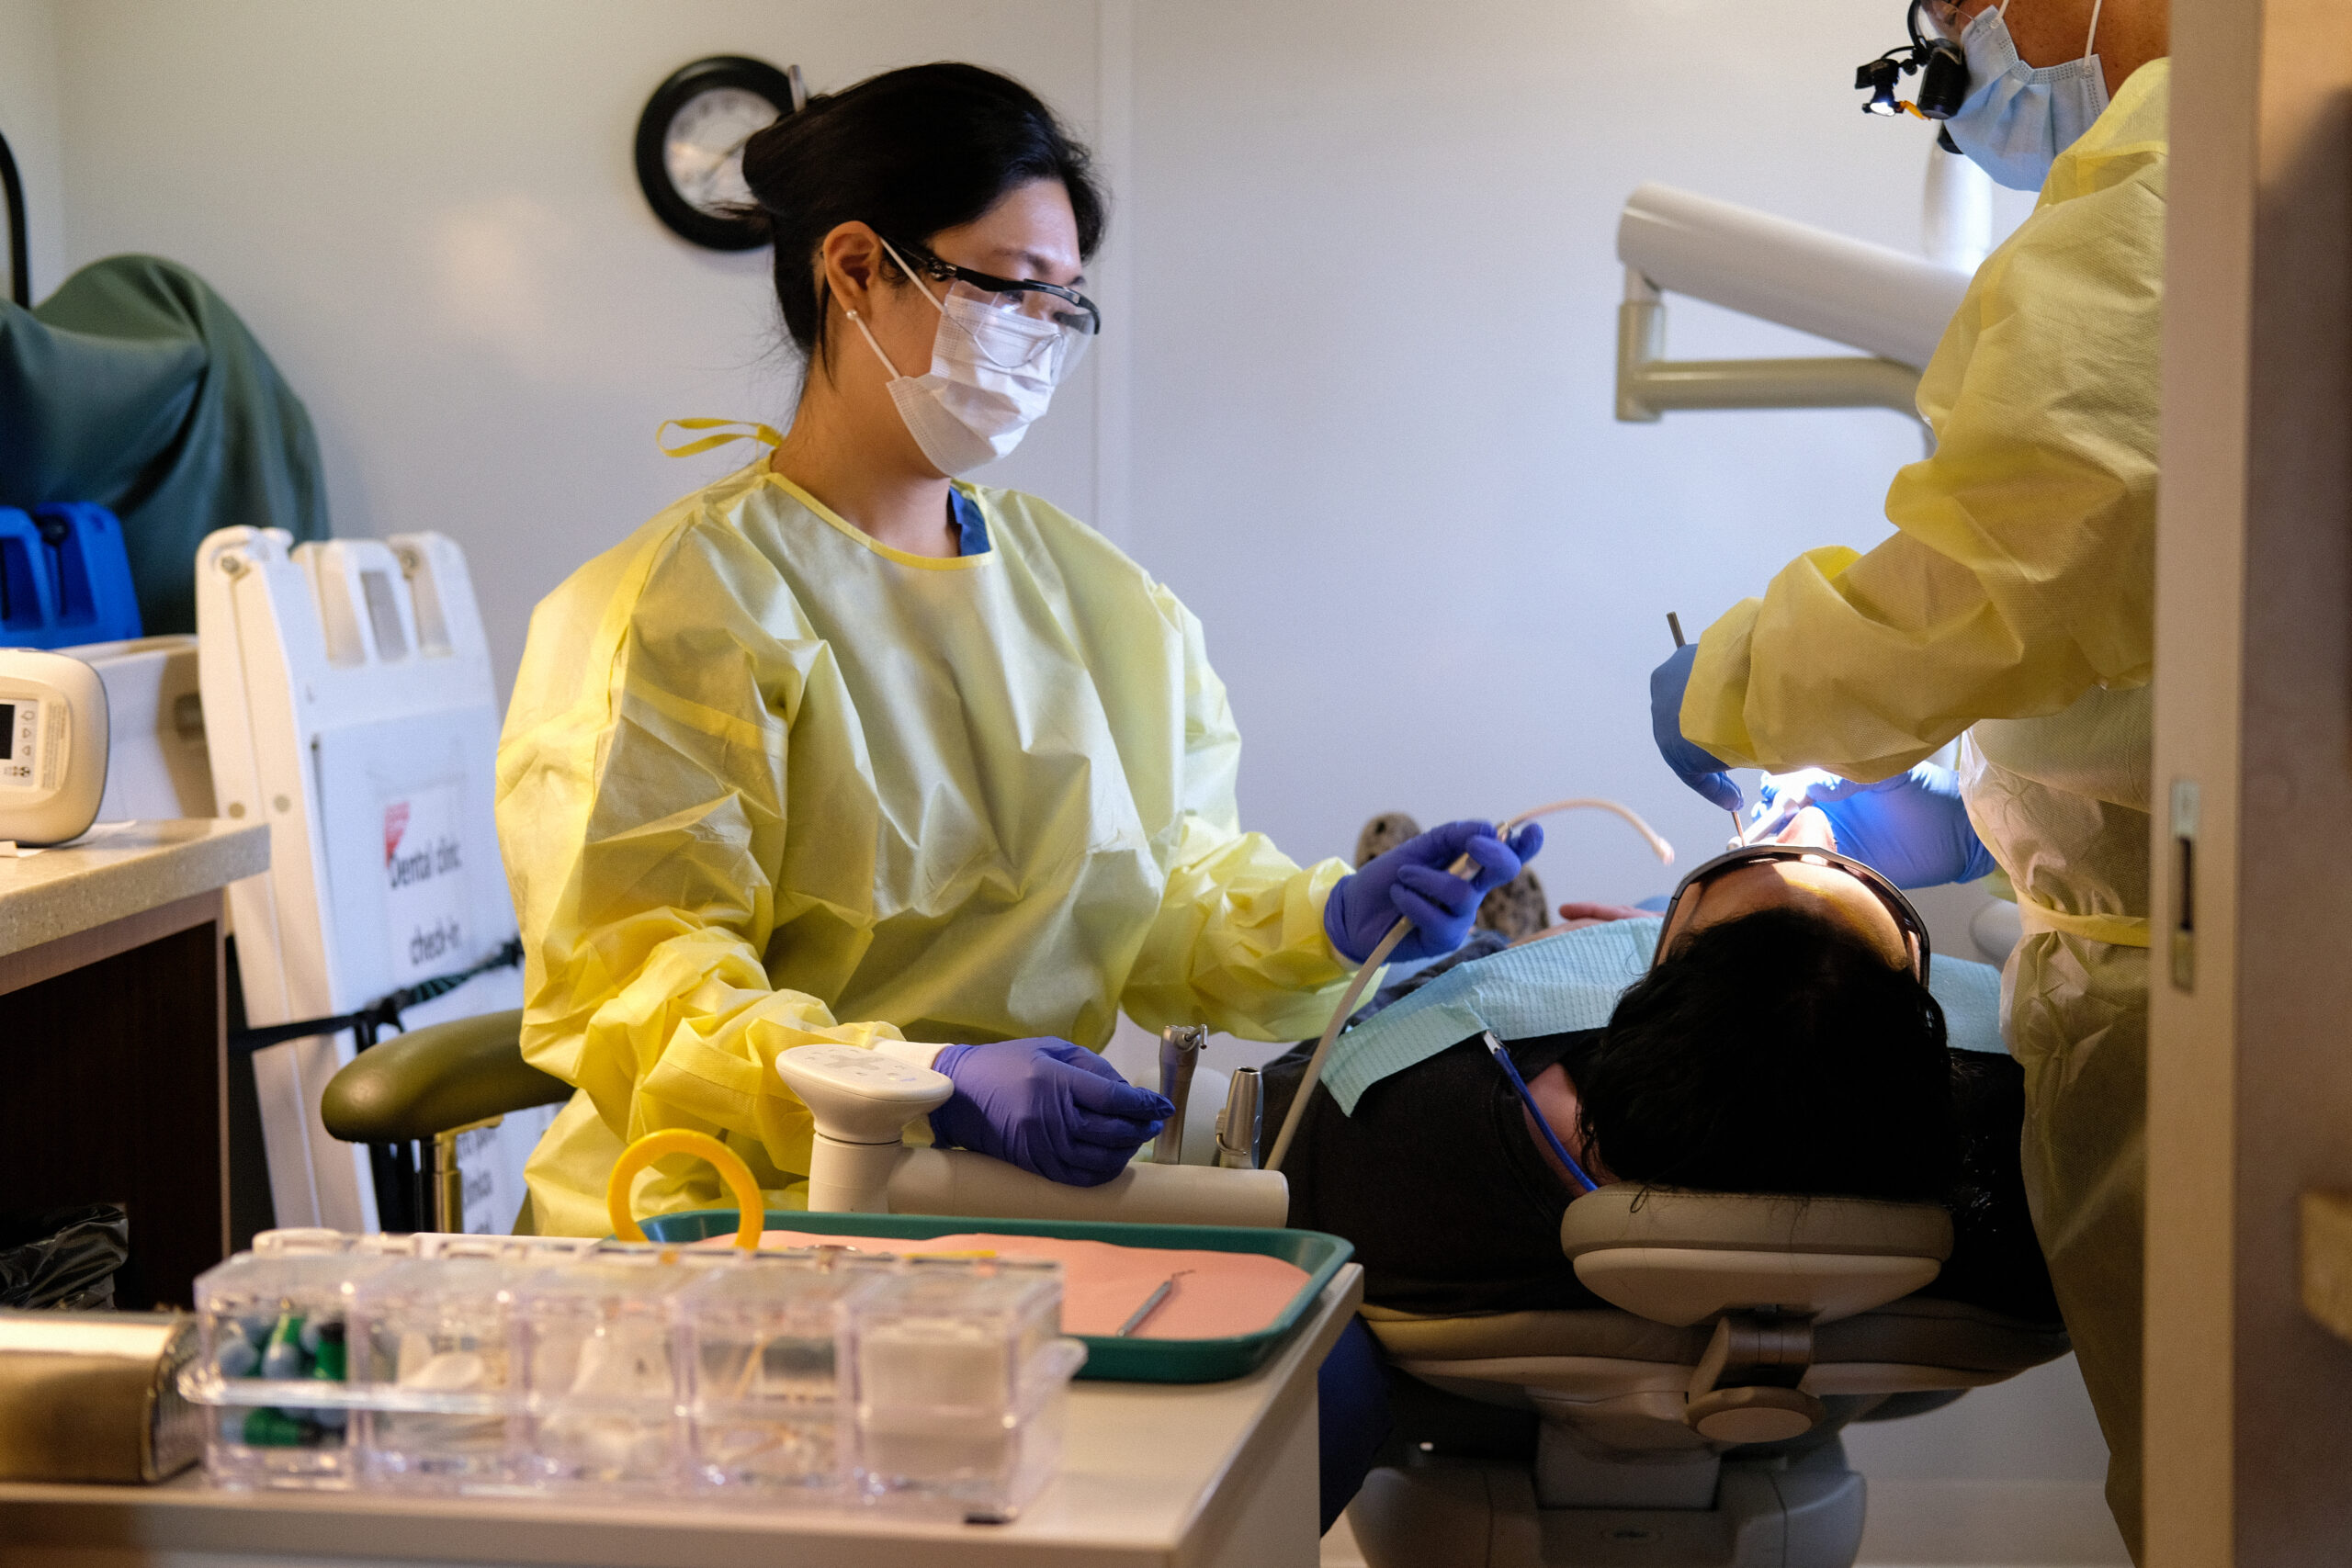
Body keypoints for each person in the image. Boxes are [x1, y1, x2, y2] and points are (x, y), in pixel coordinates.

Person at [496, 62, 1536, 1237]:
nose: (1040, 337)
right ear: (854, 270)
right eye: (1011, 290)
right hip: (721, 1220)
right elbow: (649, 992)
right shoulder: (674, 612)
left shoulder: (1100, 605)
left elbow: (1166, 889)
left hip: (992, 1212)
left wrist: (1334, 920)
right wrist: (923, 1087)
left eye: (1065, 306)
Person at [1646, 0, 2167, 1551]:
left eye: (1944, 39)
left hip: (2233, 1001)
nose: (1955, 91)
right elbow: (2159, 632)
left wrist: (1738, 688)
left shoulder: (2176, 191)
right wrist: (1996, 829)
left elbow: (2009, 561)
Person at [1261, 817, 2059, 1327]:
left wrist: (1538, 968)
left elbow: (1274, 1118)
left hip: (1478, 1385)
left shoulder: (1392, 1120)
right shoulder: (2033, 1162)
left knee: (1490, 960)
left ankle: (1520, 941)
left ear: (1636, 1006)